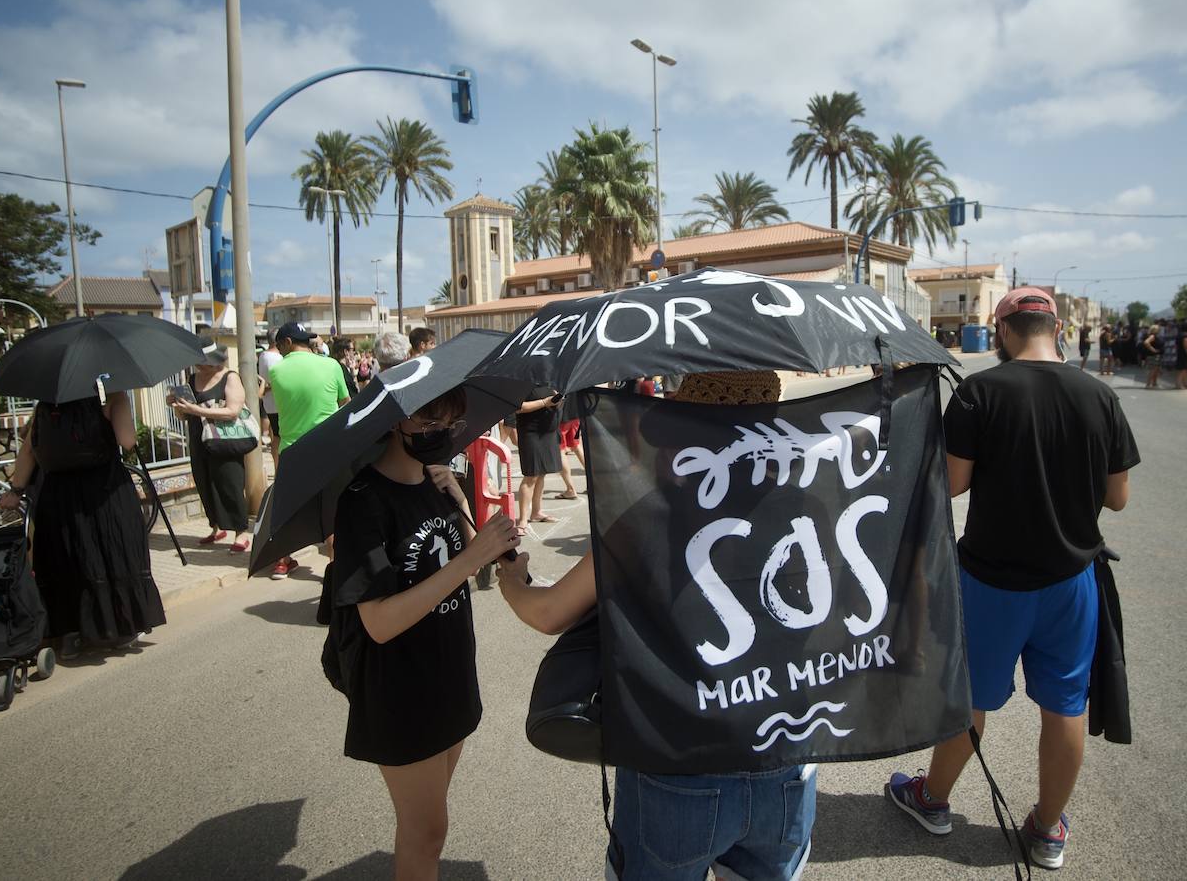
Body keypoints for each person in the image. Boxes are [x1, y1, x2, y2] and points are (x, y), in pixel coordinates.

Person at [496, 369, 818, 881]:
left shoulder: (649, 516)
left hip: (678, 764)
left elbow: (549, 612)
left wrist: (512, 581)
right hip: (787, 757)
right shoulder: (811, 505)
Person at [885, 287, 1139, 872]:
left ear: (1002, 331)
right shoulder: (1100, 395)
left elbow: (952, 485)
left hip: (991, 582)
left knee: (971, 698)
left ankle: (933, 799)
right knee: (1065, 704)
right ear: (1058, 329)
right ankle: (1048, 830)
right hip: (1072, 581)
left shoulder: (980, 392)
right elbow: (1118, 497)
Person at [323, 385, 520, 881]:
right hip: (401, 689)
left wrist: (463, 504)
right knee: (427, 833)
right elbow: (379, 622)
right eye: (428, 424)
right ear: (395, 422)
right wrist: (473, 559)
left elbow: (467, 563)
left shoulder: (439, 483)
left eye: (450, 425)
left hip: (449, 671)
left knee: (427, 825)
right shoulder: (364, 502)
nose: (441, 435)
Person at [0, 391, 166, 658]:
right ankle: (119, 630)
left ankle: (70, 635)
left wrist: (16, 490)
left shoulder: (46, 406)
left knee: (67, 561)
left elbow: (29, 451)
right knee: (113, 556)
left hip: (58, 495)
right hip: (104, 492)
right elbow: (127, 441)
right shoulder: (113, 398)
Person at [269, 321, 350, 578]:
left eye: (279, 345)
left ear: (287, 343)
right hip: (329, 448)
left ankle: (282, 561)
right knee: (332, 509)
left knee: (288, 509)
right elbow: (346, 403)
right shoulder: (332, 365)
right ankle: (335, 566)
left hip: (293, 450)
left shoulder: (276, 371)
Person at [173, 337, 251, 553]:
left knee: (230, 483)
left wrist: (197, 410)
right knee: (204, 482)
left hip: (224, 440)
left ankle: (241, 532)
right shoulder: (191, 379)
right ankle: (215, 526)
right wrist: (177, 406)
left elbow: (233, 411)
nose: (201, 367)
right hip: (199, 439)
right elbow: (184, 415)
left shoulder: (230, 377)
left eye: (204, 363)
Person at [514, 385, 562, 535]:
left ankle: (536, 512)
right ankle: (523, 520)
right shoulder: (523, 382)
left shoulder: (549, 381)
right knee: (531, 475)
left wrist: (558, 401)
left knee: (541, 473)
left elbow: (555, 404)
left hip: (548, 432)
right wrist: (545, 402)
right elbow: (518, 407)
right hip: (531, 433)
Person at [258, 331, 284, 471]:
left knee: (275, 438)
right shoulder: (277, 358)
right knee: (279, 439)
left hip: (269, 403)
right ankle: (279, 469)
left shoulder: (263, 355)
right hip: (279, 403)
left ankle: (276, 469)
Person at [1174, 325, 1187, 390]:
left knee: (1185, 369)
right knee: (1182, 369)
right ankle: (1179, 384)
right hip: (1185, 354)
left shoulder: (1179, 335)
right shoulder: (1186, 336)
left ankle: (1185, 383)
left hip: (1180, 353)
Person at [1142, 324, 1162, 389]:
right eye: (1158, 329)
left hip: (1156, 355)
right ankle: (1148, 384)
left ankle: (1154, 383)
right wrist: (1153, 350)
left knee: (1156, 370)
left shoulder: (1155, 336)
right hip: (1153, 355)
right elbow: (1146, 342)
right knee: (1153, 369)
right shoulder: (1152, 336)